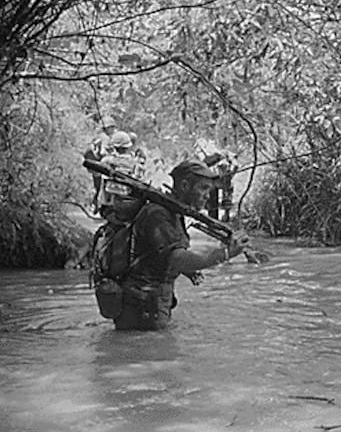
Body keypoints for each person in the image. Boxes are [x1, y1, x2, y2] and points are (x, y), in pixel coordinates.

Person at [114, 160, 250, 331]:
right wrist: (226, 253)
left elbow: (158, 254)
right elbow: (176, 257)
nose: (207, 196)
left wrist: (187, 270)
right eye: (203, 188)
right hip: (142, 304)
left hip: (150, 302)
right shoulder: (158, 214)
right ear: (185, 185)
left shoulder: (172, 212)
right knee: (152, 353)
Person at [98, 131, 144, 223]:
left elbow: (97, 171)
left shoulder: (107, 161)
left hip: (110, 207)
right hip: (133, 208)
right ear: (129, 146)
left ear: (114, 147)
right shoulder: (137, 164)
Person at [194, 138, 236, 221]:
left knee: (225, 195)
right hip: (215, 175)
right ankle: (214, 218)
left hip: (223, 174)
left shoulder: (224, 155)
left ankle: (223, 216)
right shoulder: (206, 154)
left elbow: (234, 165)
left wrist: (230, 173)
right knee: (213, 196)